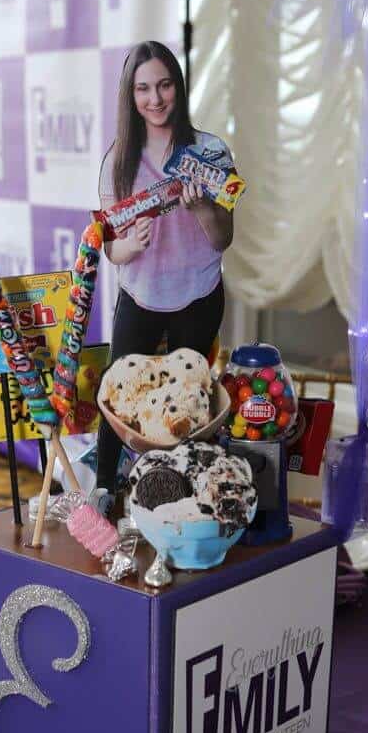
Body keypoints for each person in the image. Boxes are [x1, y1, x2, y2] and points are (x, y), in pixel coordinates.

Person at [95, 40, 235, 508]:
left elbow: (223, 239)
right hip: (140, 294)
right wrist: (129, 246)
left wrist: (203, 209)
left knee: (188, 402)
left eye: (164, 85)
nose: (155, 99)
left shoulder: (211, 151)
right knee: (117, 394)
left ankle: (182, 499)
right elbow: (110, 247)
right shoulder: (118, 161)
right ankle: (104, 490)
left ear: (179, 86)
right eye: (143, 89)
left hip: (199, 293)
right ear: (130, 95)